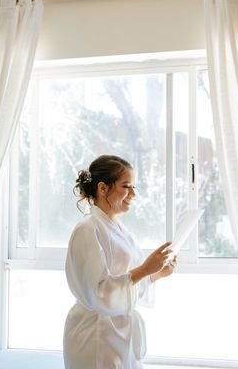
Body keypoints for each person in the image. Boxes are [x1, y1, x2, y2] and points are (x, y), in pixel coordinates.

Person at [63, 155, 177, 369]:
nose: (133, 194)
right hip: (95, 336)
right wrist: (144, 269)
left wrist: (156, 274)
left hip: (119, 334)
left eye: (134, 187)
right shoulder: (87, 230)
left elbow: (126, 285)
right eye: (126, 186)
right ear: (103, 188)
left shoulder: (122, 231)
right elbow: (100, 292)